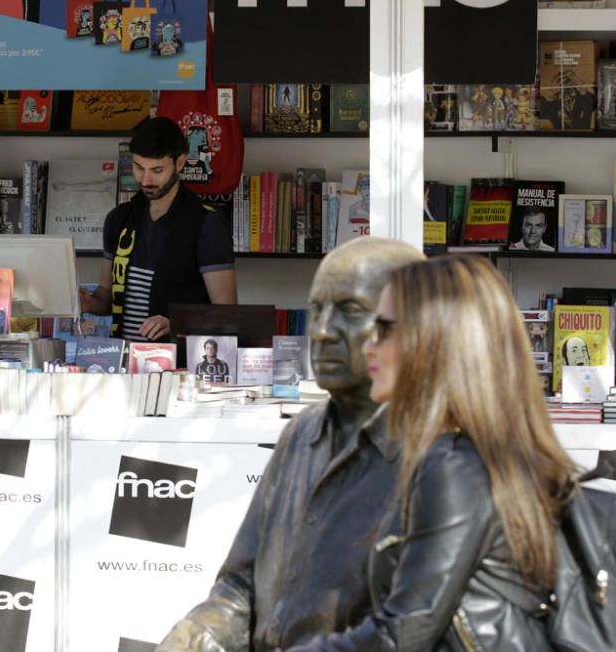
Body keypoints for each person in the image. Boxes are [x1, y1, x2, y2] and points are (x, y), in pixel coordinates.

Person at [280, 254, 575, 651]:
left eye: (383, 328)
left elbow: (402, 632)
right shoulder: (493, 455)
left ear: (435, 341)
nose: (369, 344)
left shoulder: (453, 465)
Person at [158, 236, 424, 651]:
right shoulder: (301, 434)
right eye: (317, 310)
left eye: (350, 311)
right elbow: (240, 585)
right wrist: (199, 636)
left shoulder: (439, 455)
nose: (320, 331)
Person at [79, 117, 236, 342]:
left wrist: (177, 324)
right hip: (123, 363)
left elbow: (227, 314)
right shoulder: (119, 219)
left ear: (180, 163)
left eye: (157, 170)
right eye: (138, 168)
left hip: (177, 366)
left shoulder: (206, 224)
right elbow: (107, 296)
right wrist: (88, 302)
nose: (146, 179)